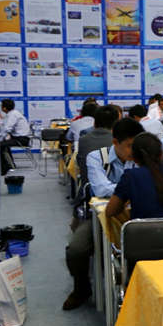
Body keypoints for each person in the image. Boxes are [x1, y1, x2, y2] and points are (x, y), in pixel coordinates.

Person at [63, 118, 144, 310]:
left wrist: (123, 189)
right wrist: (131, 188)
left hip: (138, 215)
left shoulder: (142, 155)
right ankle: (82, 289)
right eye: (129, 146)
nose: (133, 151)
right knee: (76, 250)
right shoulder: (97, 157)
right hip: (100, 217)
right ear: (115, 142)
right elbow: (99, 189)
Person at [76, 104, 118, 184]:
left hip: (87, 187)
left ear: (94, 123)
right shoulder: (118, 141)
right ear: (116, 123)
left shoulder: (83, 140)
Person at [0, 99, 31, 176]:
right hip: (20, 138)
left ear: (4, 108)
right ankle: (10, 164)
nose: (1, 107)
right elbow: (5, 126)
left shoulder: (12, 115)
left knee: (0, 145)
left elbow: (7, 128)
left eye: (1, 106)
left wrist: (0, 138)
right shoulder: (13, 113)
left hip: (22, 139)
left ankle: (4, 169)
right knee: (4, 144)